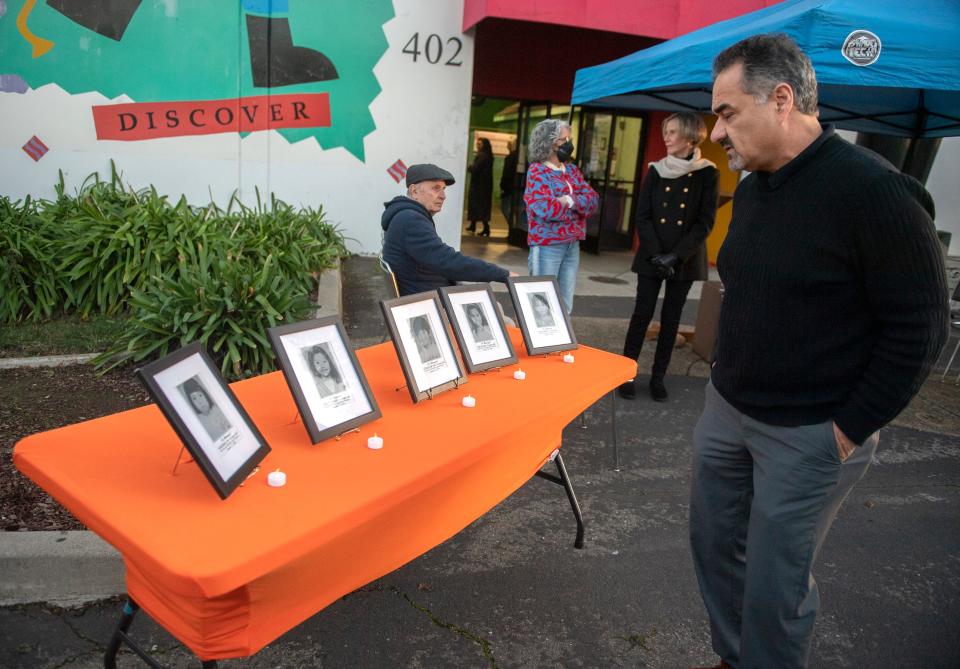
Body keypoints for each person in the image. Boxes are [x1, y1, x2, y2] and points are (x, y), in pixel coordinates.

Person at [690, 34, 948, 669]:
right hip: (728, 409)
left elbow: (919, 329)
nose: (716, 134)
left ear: (782, 99)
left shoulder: (877, 193)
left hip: (810, 430)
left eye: (726, 112)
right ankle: (733, 656)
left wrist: (847, 429)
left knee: (777, 582)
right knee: (714, 547)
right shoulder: (752, 190)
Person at [618, 113, 718, 403]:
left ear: (690, 137)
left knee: (671, 320)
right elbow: (643, 215)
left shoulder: (707, 172)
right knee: (641, 316)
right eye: (665, 131)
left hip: (684, 260)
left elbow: (705, 222)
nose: (667, 137)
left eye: (672, 132)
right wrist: (657, 253)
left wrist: (675, 256)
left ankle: (658, 378)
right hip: (652, 256)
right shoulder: (656, 170)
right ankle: (627, 374)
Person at [382, 163, 514, 296]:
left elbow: (441, 257)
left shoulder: (407, 215)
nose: (443, 196)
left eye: (443, 189)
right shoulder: (410, 219)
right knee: (498, 313)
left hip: (429, 296)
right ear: (414, 191)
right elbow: (447, 261)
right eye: (436, 188)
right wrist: (504, 275)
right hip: (428, 304)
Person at [523, 119, 599, 314]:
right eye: (563, 139)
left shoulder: (572, 170)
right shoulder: (537, 171)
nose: (568, 143)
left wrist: (570, 200)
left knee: (565, 304)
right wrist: (577, 210)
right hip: (547, 245)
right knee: (542, 305)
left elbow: (593, 201)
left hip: (572, 244)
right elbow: (545, 209)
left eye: (569, 138)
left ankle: (561, 344)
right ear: (549, 142)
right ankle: (541, 343)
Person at [182, 377, 231, 442]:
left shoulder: (220, 409)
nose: (200, 401)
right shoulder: (198, 423)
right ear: (192, 403)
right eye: (194, 398)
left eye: (200, 395)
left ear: (205, 395)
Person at [466, 138, 494, 236]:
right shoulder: (487, 155)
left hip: (480, 186)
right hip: (483, 185)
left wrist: (470, 167)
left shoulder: (483, 155)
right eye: (477, 143)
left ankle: (486, 228)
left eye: (480, 144)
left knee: (479, 205)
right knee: (479, 205)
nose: (478, 145)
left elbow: (475, 168)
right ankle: (473, 225)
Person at [499, 139, 519, 225]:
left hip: (510, 188)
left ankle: (513, 228)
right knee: (516, 210)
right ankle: (516, 229)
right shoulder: (521, 157)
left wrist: (503, 186)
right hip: (518, 188)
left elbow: (507, 173)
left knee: (506, 208)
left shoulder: (511, 157)